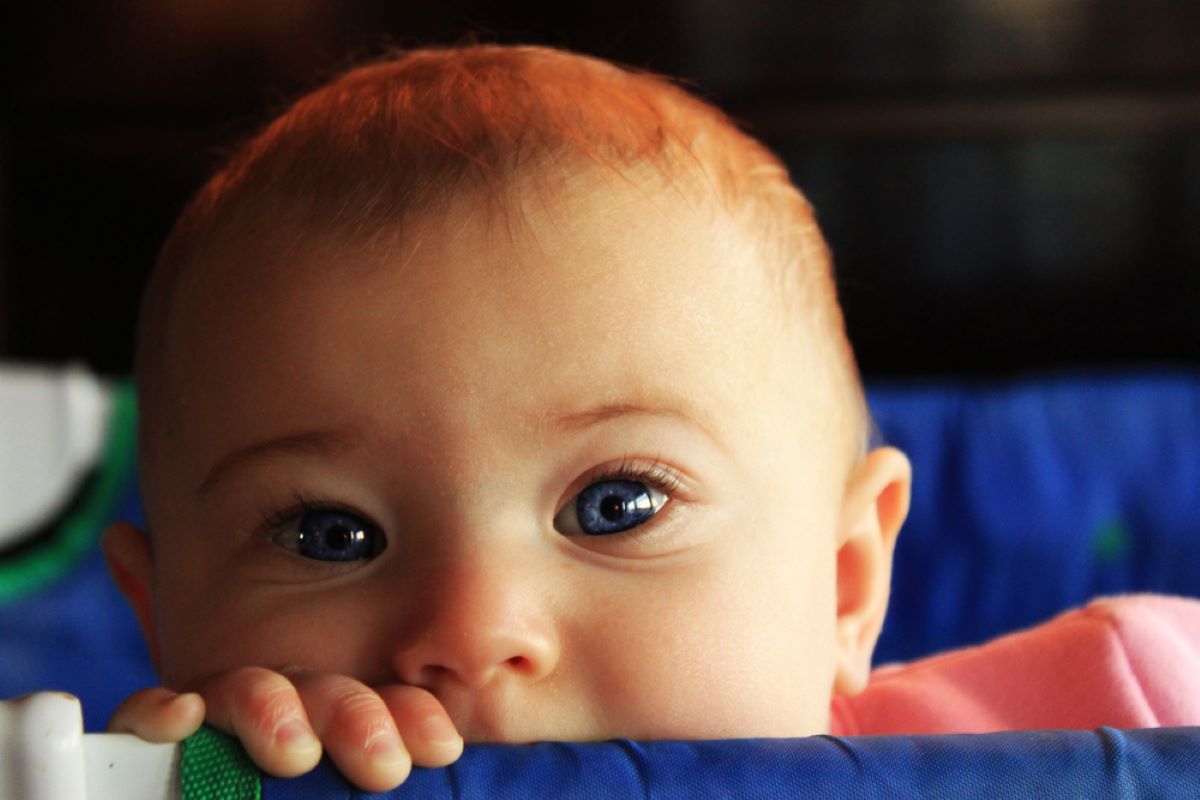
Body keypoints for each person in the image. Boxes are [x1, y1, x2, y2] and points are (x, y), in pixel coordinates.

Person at [99, 44, 1199, 793]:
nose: (474, 630)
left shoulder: (1130, 695)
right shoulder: (208, 777)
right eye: (329, 534)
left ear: (848, 578)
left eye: (615, 503)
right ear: (164, 615)